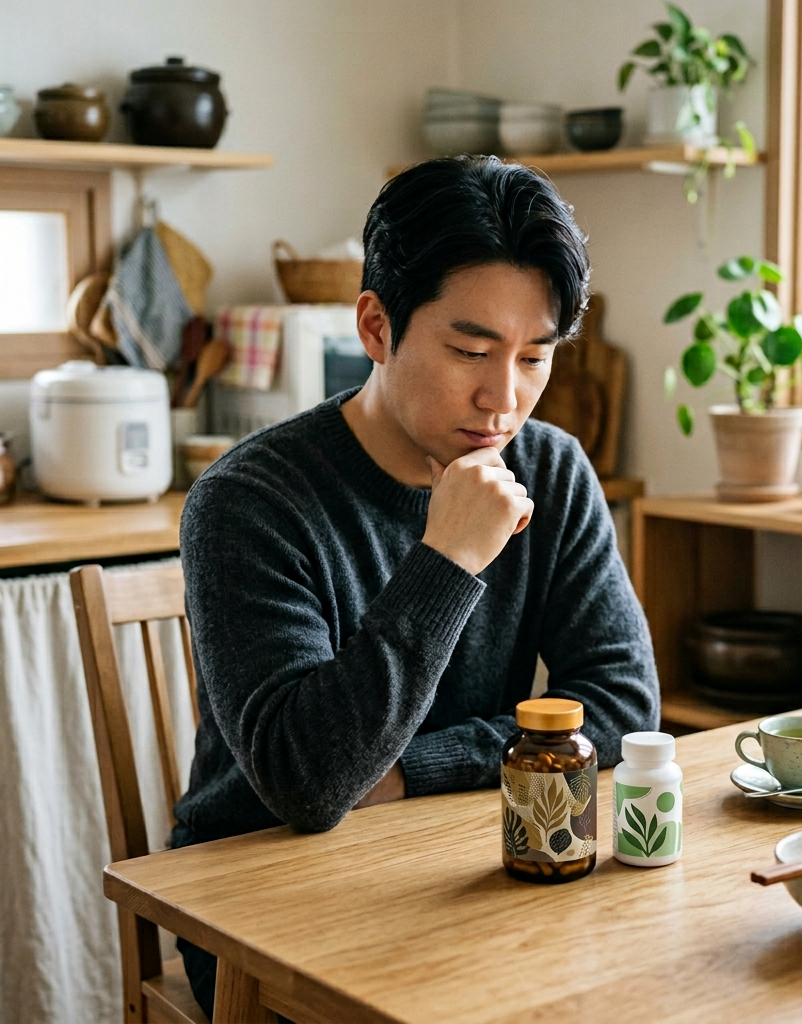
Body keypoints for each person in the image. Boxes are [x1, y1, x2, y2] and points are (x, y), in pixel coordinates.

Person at [173, 155, 659, 1016]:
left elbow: (622, 704)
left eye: (534, 357)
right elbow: (310, 782)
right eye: (470, 349)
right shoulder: (247, 502)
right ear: (376, 326)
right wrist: (449, 560)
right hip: (259, 898)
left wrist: (414, 769)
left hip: (456, 867)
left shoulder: (553, 470)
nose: (502, 400)